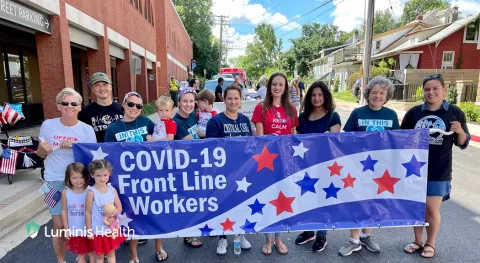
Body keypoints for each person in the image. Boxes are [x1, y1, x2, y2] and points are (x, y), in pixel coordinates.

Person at [401, 74, 470, 259]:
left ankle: (430, 243)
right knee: (417, 208)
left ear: (444, 89)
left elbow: (463, 143)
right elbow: (402, 140)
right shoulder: (414, 113)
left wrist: (460, 131)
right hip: (414, 168)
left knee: (431, 209)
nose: (431, 92)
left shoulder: (454, 113)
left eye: (435, 89)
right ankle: (418, 241)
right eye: (427, 89)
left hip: (440, 169)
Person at [339, 76, 400, 257]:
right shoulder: (358, 113)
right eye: (374, 92)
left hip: (382, 167)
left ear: (387, 95)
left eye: (382, 93)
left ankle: (367, 236)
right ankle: (354, 240)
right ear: (367, 94)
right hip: (359, 166)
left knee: (373, 201)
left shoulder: (391, 115)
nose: (377, 96)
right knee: (357, 200)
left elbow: (397, 140)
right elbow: (345, 139)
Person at [36, 88, 96, 263]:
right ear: (59, 106)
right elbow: (40, 154)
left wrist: (75, 146)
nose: (69, 106)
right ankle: (61, 260)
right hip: (54, 181)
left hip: (79, 182)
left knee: (82, 223)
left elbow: (92, 157)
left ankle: (81, 255)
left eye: (74, 103)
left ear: (79, 107)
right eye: (65, 103)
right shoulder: (48, 125)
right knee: (60, 226)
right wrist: (41, 150)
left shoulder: (86, 130)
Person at [103, 91, 154, 262]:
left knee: (146, 210)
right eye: (131, 104)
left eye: (138, 105)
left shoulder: (147, 123)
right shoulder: (113, 129)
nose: (134, 108)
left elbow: (161, 145)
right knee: (127, 213)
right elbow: (107, 155)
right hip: (123, 180)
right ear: (123, 105)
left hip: (145, 177)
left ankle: (146, 238)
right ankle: (131, 254)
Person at [251, 72, 298, 255]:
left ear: (286, 87)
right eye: (274, 84)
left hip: (285, 161)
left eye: (281, 84)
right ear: (269, 87)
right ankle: (268, 239)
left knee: (282, 200)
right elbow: (260, 139)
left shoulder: (291, 110)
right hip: (267, 162)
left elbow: (294, 138)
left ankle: (279, 238)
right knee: (268, 199)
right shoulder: (261, 108)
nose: (277, 88)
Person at [206, 85, 253, 254]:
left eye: (236, 98)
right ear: (224, 100)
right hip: (223, 173)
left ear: (241, 100)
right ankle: (223, 238)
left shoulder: (245, 121)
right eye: (230, 98)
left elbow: (250, 146)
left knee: (242, 204)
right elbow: (211, 150)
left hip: (243, 173)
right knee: (224, 205)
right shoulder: (216, 121)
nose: (233, 101)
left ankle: (240, 234)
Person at [294, 81, 341, 252]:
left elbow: (334, 141)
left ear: (325, 96)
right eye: (313, 95)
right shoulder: (302, 117)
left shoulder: (332, 117)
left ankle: (322, 234)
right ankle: (309, 231)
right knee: (307, 198)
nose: (316, 98)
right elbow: (297, 141)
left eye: (320, 95)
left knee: (323, 200)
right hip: (306, 165)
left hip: (325, 165)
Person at [173, 88, 203, 248]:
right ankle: (188, 235)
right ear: (178, 102)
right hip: (184, 167)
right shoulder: (176, 121)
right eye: (185, 101)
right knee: (188, 201)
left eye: (191, 101)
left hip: (197, 164)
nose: (188, 104)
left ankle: (196, 229)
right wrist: (203, 133)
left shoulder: (192, 116)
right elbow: (190, 140)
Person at [85, 160, 127, 263]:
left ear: (109, 174)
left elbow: (119, 207)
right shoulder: (91, 192)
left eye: (105, 175)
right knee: (99, 257)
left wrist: (114, 217)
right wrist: (89, 230)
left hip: (110, 229)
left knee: (111, 254)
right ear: (92, 175)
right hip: (98, 230)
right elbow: (88, 212)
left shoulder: (112, 189)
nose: (102, 178)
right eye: (98, 175)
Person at [61, 162, 94, 263]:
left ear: (86, 177)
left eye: (81, 177)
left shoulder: (90, 191)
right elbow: (64, 211)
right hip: (76, 230)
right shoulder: (65, 192)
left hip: (91, 228)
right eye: (74, 178)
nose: (78, 180)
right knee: (81, 254)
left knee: (93, 253)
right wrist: (66, 229)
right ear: (68, 178)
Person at [78, 72, 123, 143]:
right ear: (93, 89)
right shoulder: (85, 113)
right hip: (97, 152)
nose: (101, 88)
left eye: (105, 84)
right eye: (97, 85)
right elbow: (79, 135)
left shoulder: (123, 109)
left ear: (110, 87)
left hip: (121, 152)